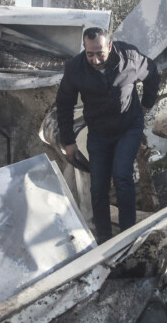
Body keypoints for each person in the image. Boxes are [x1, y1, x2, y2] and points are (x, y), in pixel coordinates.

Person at [56, 27, 159, 242]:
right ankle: (104, 241)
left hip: (128, 127)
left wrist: (147, 105)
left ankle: (128, 237)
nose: (95, 59)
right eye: (89, 53)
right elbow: (64, 103)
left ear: (110, 46)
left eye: (100, 53)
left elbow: (152, 73)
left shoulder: (129, 58)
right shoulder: (75, 68)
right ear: (84, 49)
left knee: (122, 176)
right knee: (98, 186)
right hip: (99, 131)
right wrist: (68, 141)